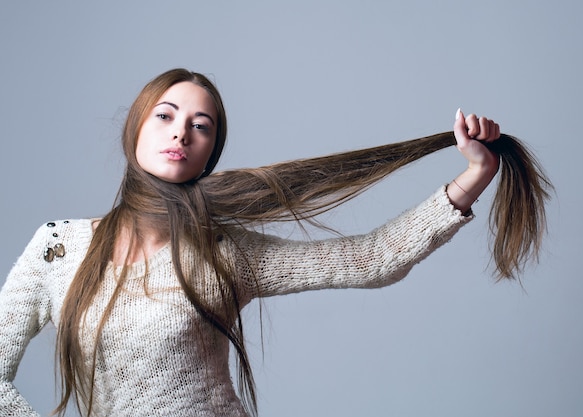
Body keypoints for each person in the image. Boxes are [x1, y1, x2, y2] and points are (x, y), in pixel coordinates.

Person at [0, 68, 551, 417]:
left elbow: (369, 260)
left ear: (209, 151)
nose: (180, 132)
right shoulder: (58, 247)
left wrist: (475, 176)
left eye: (201, 125)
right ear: (136, 129)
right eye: (165, 116)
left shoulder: (224, 252)